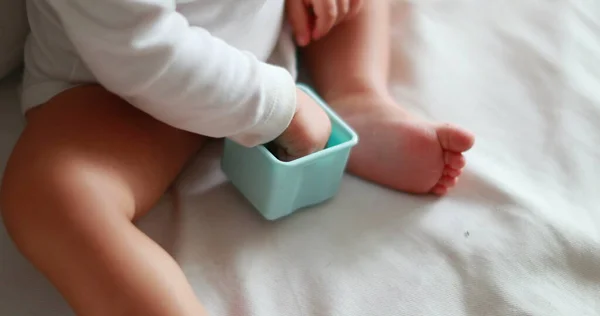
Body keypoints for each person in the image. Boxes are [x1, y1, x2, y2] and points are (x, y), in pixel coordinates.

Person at [0, 0, 475, 315]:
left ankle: (356, 98)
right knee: (51, 196)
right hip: (116, 93)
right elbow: (137, 50)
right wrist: (280, 108)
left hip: (278, 21)